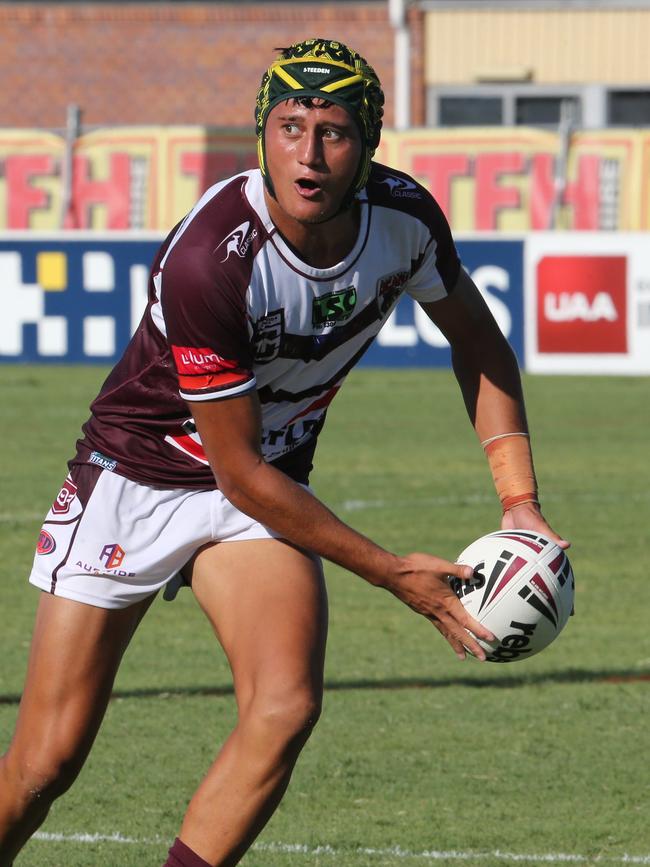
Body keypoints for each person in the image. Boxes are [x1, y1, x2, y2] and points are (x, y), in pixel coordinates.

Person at [0, 38, 568, 867]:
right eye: (289, 125)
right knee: (45, 761)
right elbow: (237, 470)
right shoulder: (211, 258)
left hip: (263, 490)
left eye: (333, 130)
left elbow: (478, 344)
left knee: (284, 707)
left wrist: (519, 500)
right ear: (260, 132)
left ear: (367, 145)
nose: (308, 152)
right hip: (137, 476)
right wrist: (388, 573)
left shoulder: (405, 219)